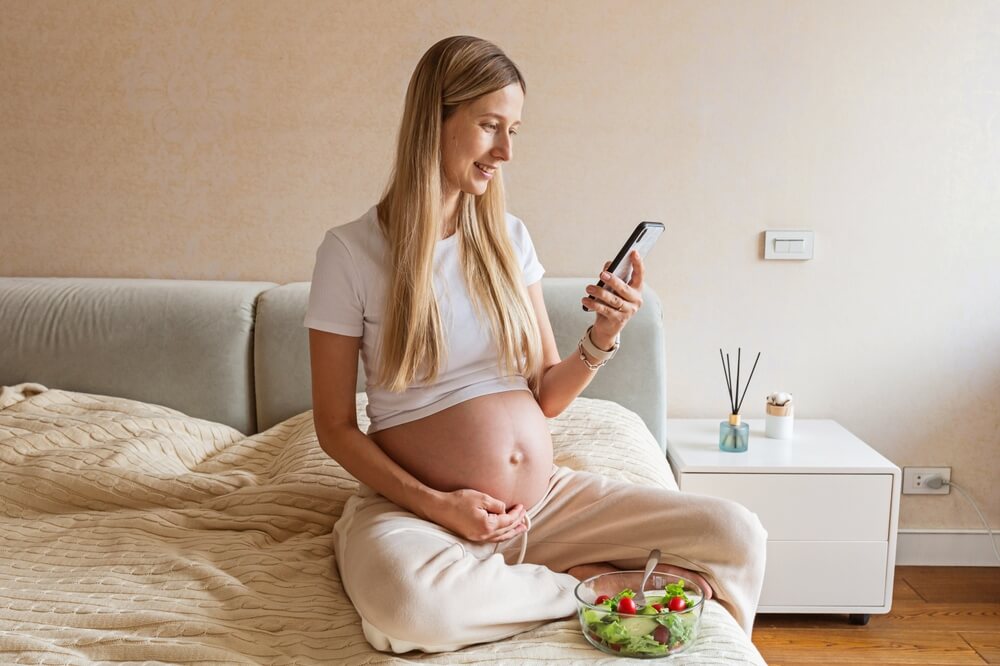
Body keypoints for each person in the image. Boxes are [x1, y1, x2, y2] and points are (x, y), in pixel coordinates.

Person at [304, 35, 767, 654]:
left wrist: (602, 337)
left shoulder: (508, 239)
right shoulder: (350, 253)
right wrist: (441, 506)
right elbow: (334, 427)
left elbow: (547, 394)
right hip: (419, 512)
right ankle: (582, 589)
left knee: (737, 532)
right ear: (432, 121)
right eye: (490, 125)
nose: (506, 150)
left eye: (514, 130)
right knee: (413, 603)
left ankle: (537, 582)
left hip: (546, 507)